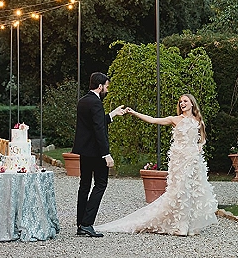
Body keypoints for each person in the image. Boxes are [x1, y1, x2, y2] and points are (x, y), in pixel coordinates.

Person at [98, 93, 218, 236]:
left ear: (192, 103)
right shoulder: (175, 119)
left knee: (193, 190)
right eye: (180, 102)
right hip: (179, 161)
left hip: (193, 160)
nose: (182, 103)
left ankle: (189, 223)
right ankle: (181, 225)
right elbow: (153, 120)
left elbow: (202, 139)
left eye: (185, 101)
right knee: (180, 190)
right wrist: (135, 113)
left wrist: (199, 147)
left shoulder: (198, 120)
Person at [72, 72, 125, 237]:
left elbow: (95, 122)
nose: (107, 90)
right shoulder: (96, 103)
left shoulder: (83, 101)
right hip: (96, 152)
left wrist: (113, 114)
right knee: (101, 184)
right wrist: (106, 154)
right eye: (107, 87)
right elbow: (99, 130)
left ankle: (81, 224)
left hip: (84, 152)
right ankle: (88, 223)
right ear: (100, 86)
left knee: (84, 185)